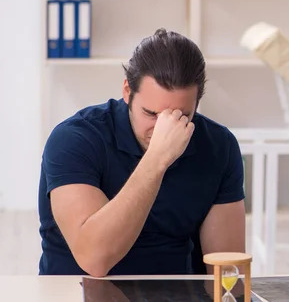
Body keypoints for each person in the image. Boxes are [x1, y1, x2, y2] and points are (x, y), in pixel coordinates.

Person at [37, 28, 246, 277]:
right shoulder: (75, 139)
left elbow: (226, 271)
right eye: (151, 113)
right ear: (127, 91)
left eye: (181, 116)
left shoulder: (219, 146)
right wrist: (158, 158)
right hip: (77, 295)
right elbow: (95, 259)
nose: (163, 128)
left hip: (174, 299)